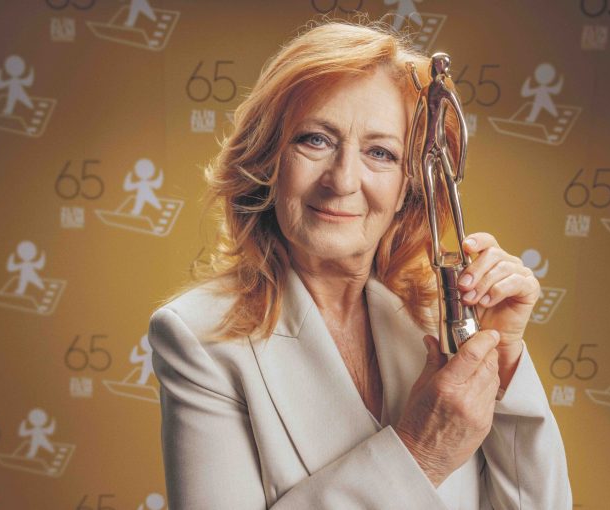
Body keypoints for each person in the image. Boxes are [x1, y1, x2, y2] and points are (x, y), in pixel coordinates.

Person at [148, 20, 572, 510]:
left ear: (409, 188)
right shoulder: (199, 337)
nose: (343, 180)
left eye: (380, 153)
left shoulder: (441, 316)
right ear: (267, 160)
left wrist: (504, 357)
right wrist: (420, 454)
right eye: (315, 140)